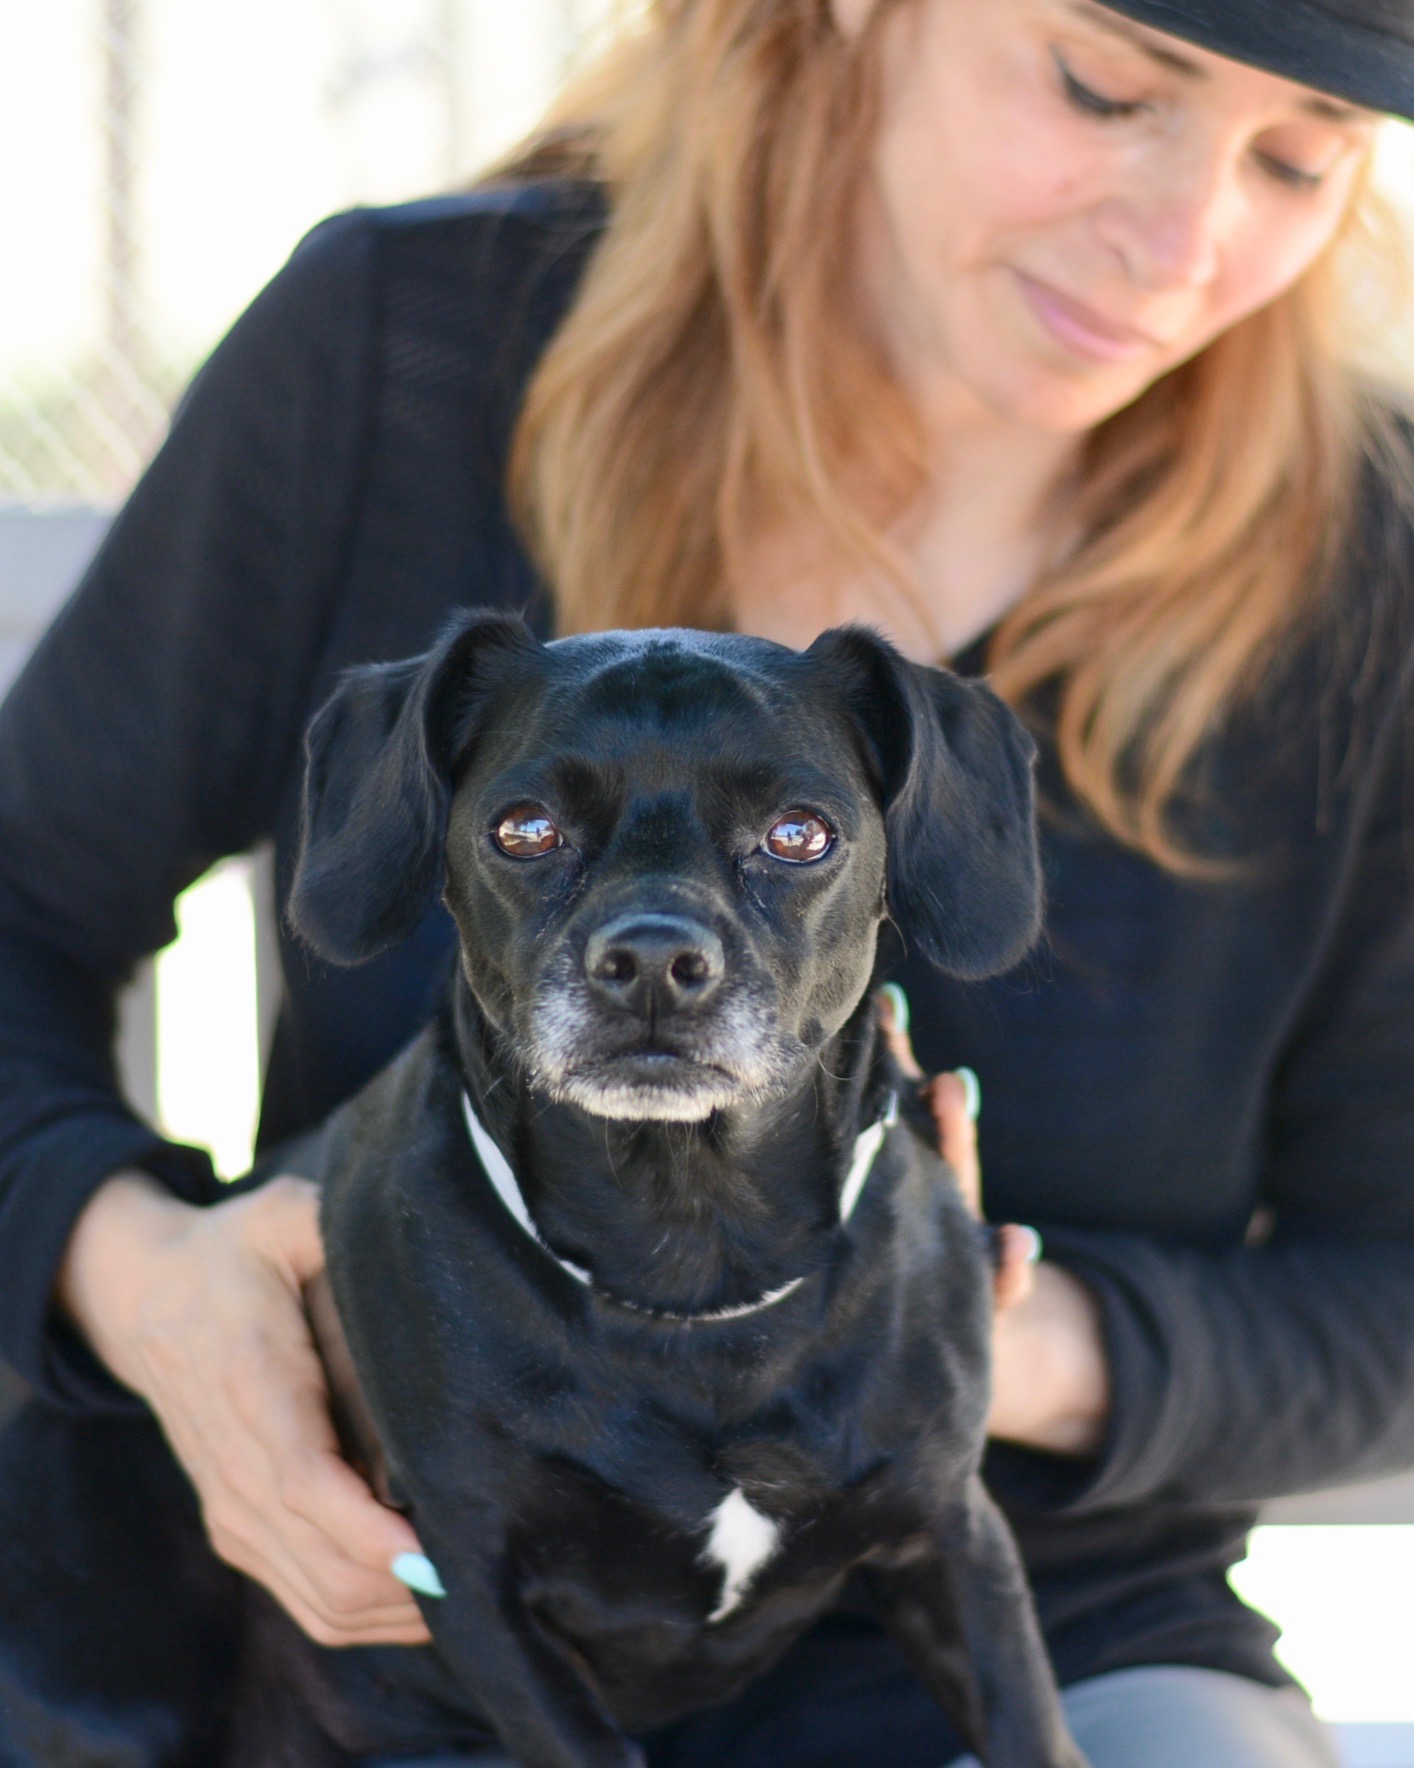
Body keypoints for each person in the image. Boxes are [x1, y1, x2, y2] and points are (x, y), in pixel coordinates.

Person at [2, 0, 1413, 1762]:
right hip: (400, 1628)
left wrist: (958, 1336)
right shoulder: (399, 356)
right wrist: (146, 1280)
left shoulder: (1364, 563)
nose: (1184, 238)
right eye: (1104, 87)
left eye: (1301, 158)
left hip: (1037, 1617)